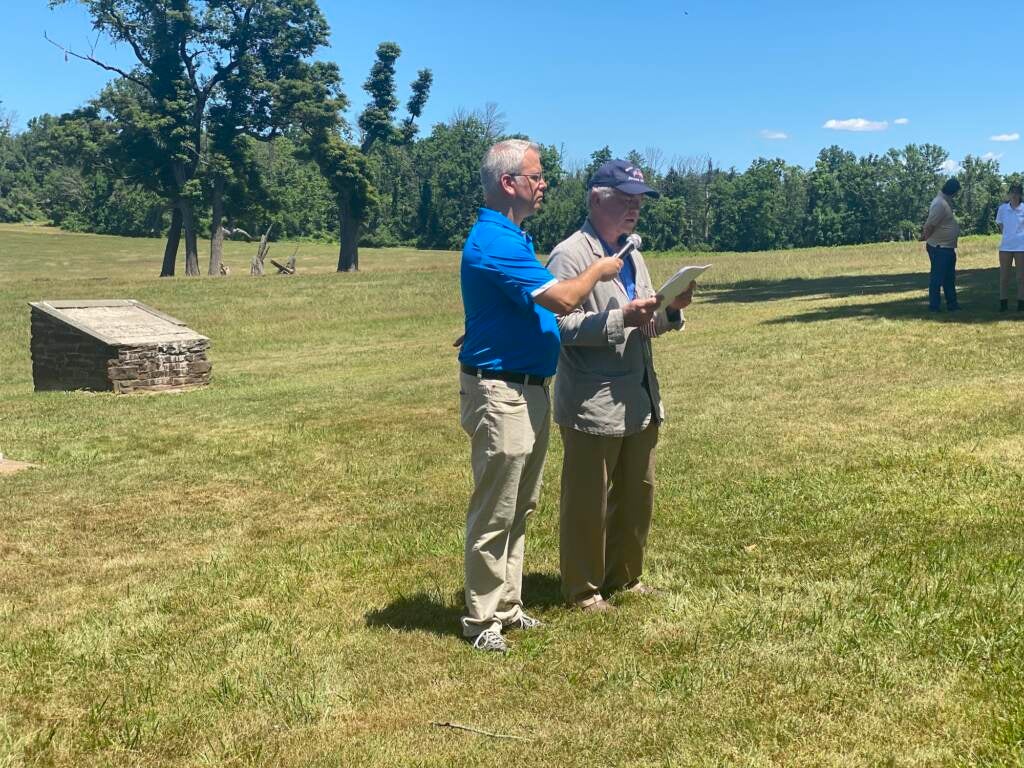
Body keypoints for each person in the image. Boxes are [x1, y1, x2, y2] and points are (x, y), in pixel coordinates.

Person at [457, 139, 623, 652]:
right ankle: (482, 620)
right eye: (537, 175)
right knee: (495, 508)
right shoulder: (496, 241)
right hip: (501, 389)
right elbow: (563, 298)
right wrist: (598, 269)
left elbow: (512, 307)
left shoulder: (512, 238)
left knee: (520, 502)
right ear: (510, 183)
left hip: (525, 386)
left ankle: (508, 605)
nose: (544, 182)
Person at [546, 160, 694, 612]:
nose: (635, 208)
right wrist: (619, 318)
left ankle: (625, 579)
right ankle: (583, 590)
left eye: (639, 201)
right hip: (594, 401)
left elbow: (641, 326)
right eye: (625, 199)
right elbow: (555, 327)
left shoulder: (633, 252)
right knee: (588, 502)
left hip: (639, 396)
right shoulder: (570, 255)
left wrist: (668, 311)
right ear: (595, 198)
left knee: (637, 493)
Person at [921, 177, 962, 312]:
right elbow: (930, 225)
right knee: (937, 278)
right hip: (939, 247)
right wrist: (926, 238)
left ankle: (952, 304)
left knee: (949, 278)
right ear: (953, 191)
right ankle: (934, 306)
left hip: (947, 247)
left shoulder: (945, 202)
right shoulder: (940, 204)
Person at [995, 182, 1024, 312]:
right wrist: (1008, 235)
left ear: (1020, 195)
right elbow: (1000, 225)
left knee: (1021, 277)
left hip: (1021, 247)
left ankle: (1021, 302)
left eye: (1017, 193)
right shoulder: (1002, 209)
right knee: (1004, 276)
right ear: (1009, 194)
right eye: (1012, 193)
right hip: (1006, 246)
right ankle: (1003, 303)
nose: (1014, 196)